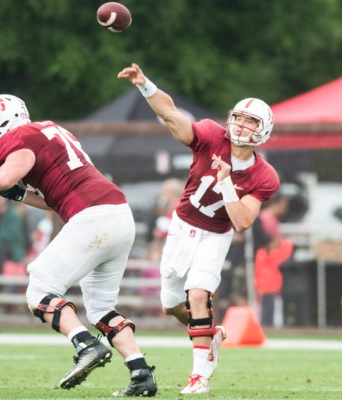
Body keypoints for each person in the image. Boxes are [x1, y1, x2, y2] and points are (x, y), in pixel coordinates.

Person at [0, 94, 158, 397]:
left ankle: (86, 345)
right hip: (119, 215)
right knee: (101, 309)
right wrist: (18, 195)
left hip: (93, 217)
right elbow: (56, 201)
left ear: (5, 120)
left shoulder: (19, 135)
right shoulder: (53, 131)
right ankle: (141, 375)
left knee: (39, 290)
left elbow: (5, 176)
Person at [117, 63, 280, 394]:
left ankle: (199, 376)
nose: (242, 125)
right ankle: (211, 334)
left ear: (262, 131)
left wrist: (226, 184)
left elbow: (243, 221)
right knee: (172, 306)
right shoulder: (209, 135)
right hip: (182, 227)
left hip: (216, 235)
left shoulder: (264, 175)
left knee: (198, 293)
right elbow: (173, 116)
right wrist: (145, 84)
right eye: (239, 117)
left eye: (251, 121)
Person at [254, 194, 293, 327]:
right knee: (266, 298)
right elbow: (270, 243)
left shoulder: (270, 218)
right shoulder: (266, 218)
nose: (285, 209)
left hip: (269, 267)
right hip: (266, 266)